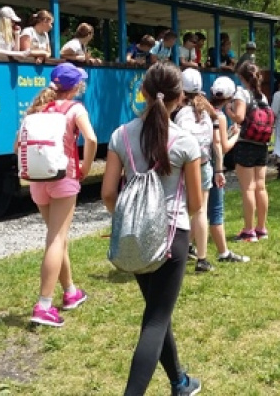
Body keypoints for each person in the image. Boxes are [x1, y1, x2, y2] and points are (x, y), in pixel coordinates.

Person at [101, 61, 203, 396]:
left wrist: (131, 218)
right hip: (173, 237)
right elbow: (196, 202)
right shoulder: (185, 142)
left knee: (157, 314)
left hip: (137, 238)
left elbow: (107, 194)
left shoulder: (120, 136)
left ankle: (179, 382)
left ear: (142, 93)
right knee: (156, 320)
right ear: (180, 99)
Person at [19, 63, 97, 327]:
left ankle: (71, 292)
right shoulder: (75, 109)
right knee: (55, 239)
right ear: (75, 86)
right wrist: (86, 166)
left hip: (37, 180)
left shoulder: (37, 108)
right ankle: (43, 305)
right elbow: (92, 139)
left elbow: (17, 143)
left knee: (58, 238)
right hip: (63, 177)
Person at [173, 68, 215, 272]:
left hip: (185, 167)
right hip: (204, 165)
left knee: (181, 208)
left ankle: (177, 250)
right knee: (201, 210)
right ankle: (202, 258)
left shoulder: (181, 114)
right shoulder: (206, 112)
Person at [226, 61, 269, 242]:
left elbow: (240, 117)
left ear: (242, 77)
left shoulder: (241, 93)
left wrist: (228, 110)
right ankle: (261, 228)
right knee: (260, 186)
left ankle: (248, 231)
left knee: (248, 188)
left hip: (246, 144)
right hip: (262, 145)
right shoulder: (262, 97)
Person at [207, 76, 249, 263]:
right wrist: (236, 135)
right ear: (230, 97)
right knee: (216, 211)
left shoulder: (203, 111)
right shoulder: (220, 116)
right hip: (212, 167)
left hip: (197, 164)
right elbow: (223, 146)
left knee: (199, 210)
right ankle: (223, 252)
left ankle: (190, 245)